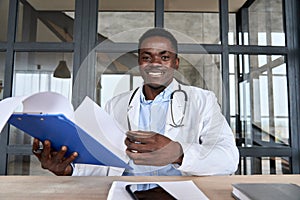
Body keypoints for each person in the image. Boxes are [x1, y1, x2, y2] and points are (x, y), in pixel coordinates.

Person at [32, 28, 239, 176]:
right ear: (139, 63)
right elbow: (105, 161)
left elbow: (229, 159)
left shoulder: (203, 100)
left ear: (176, 63)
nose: (155, 63)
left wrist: (178, 153)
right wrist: (68, 168)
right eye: (146, 57)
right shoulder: (116, 105)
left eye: (164, 57)